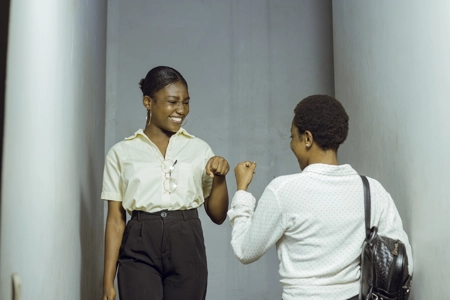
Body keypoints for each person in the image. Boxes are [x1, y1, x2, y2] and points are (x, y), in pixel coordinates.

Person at [228, 95, 413, 300]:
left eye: (292, 137)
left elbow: (245, 250)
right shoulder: (371, 190)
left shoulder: (283, 190)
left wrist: (242, 190)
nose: (291, 146)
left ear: (307, 138)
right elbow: (403, 260)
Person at [101, 66, 229, 300]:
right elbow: (116, 221)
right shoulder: (121, 153)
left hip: (187, 240)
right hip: (138, 243)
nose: (181, 110)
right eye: (172, 102)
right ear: (148, 102)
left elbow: (218, 216)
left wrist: (220, 177)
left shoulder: (200, 149)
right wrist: (107, 281)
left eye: (186, 102)